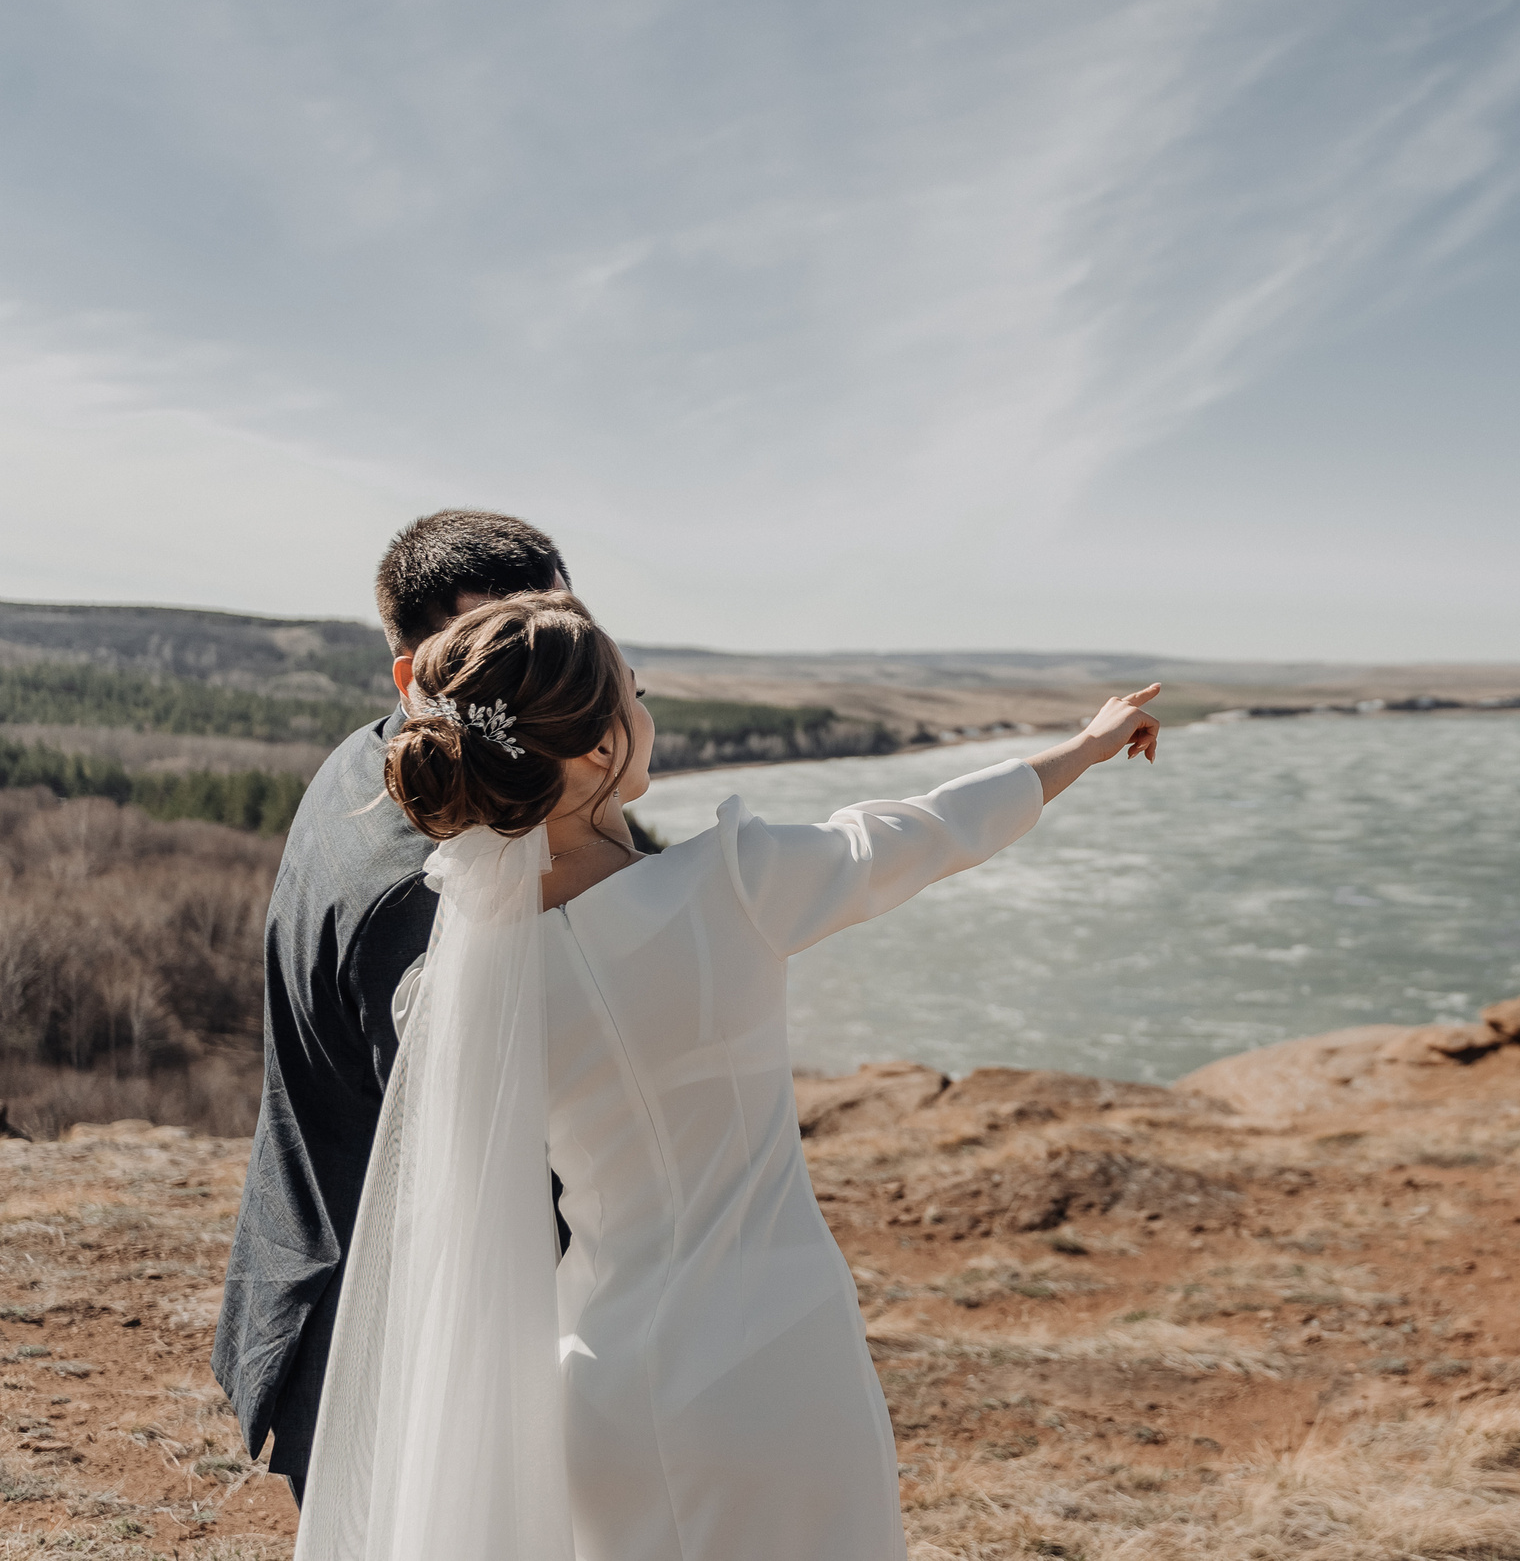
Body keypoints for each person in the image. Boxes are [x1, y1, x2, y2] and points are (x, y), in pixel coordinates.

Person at [292, 590, 1160, 1561]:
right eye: (636, 692)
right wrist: (1084, 745)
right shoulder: (731, 886)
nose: (647, 711)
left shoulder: (454, 990)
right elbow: (925, 830)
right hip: (775, 1371)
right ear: (594, 751)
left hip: (599, 1386)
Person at [215, 511, 572, 1500]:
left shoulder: (366, 760)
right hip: (388, 1348)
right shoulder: (442, 887)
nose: (534, 680)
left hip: (315, 1283)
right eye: (496, 654)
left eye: (548, 644)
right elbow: (487, 1164)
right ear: (413, 676)